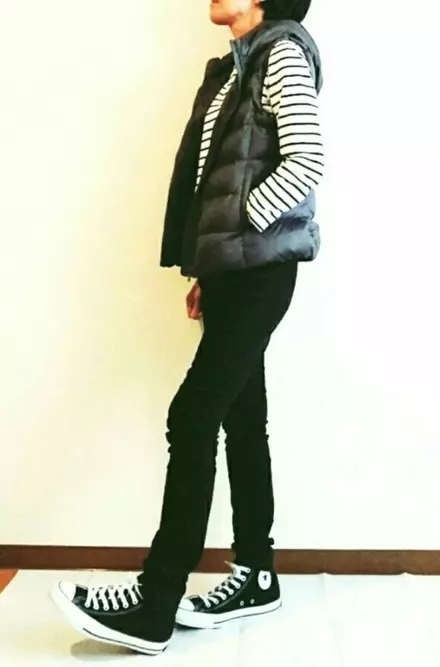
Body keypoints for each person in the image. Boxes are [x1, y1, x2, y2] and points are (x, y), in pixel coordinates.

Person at [51, 0, 324, 656]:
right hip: (235, 272)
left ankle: (156, 601)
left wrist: (238, 228)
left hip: (261, 271)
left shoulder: (283, 52)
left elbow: (306, 161)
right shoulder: (235, 66)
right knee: (240, 418)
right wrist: (209, 266)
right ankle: (257, 573)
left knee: (192, 416)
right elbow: (215, 181)